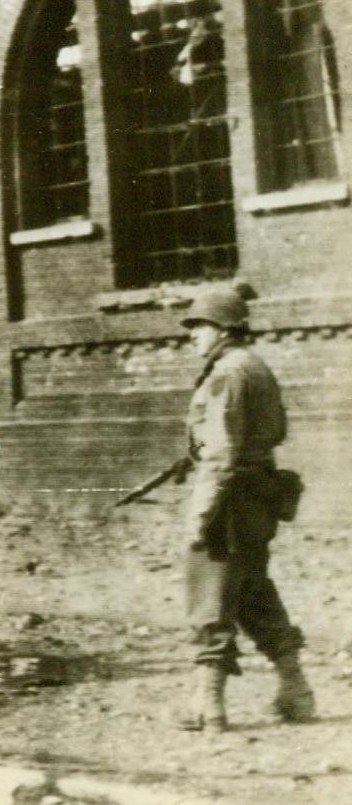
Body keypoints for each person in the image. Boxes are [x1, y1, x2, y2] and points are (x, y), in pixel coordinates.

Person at [177, 287, 315, 731]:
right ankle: (296, 690)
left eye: (199, 327)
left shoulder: (228, 373)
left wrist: (200, 515)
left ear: (223, 329)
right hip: (256, 498)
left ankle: (207, 702)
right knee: (254, 590)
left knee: (210, 595)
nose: (192, 336)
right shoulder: (254, 366)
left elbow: (221, 452)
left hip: (229, 502)